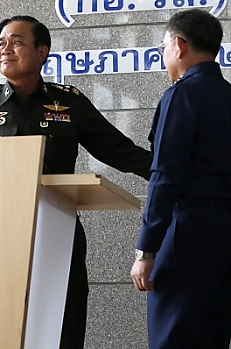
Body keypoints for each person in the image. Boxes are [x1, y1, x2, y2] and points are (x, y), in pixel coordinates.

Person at [0, 15, 152, 348]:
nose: (5, 50)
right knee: (3, 318)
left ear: (42, 52)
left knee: (65, 318)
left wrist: (170, 174)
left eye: (16, 42)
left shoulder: (68, 102)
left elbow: (120, 152)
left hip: (58, 226)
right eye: (1, 43)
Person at [130, 9, 231, 348]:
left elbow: (165, 176)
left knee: (172, 337)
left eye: (162, 48)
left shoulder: (182, 94)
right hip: (225, 235)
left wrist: (146, 249)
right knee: (213, 335)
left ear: (179, 45)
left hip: (187, 232)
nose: (163, 57)